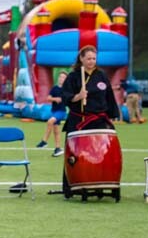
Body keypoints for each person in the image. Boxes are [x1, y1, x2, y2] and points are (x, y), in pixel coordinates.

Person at [60, 46, 120, 195]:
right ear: (81, 58)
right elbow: (65, 97)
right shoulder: (74, 76)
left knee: (100, 153)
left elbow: (109, 96)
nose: (91, 61)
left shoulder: (101, 76)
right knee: (75, 155)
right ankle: (72, 185)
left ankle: (100, 182)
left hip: (99, 120)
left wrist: (113, 114)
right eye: (88, 59)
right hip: (79, 119)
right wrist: (78, 97)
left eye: (94, 58)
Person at [36, 71, 67, 156]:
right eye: (60, 77)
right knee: (56, 131)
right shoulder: (54, 88)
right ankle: (57, 149)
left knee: (50, 121)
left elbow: (68, 99)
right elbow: (48, 98)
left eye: (63, 77)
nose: (61, 79)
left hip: (61, 111)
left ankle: (44, 141)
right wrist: (55, 99)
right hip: (54, 111)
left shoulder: (66, 89)